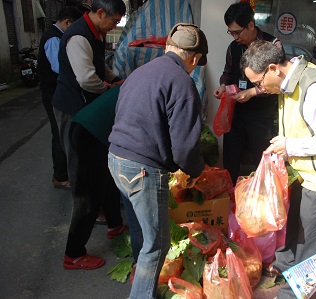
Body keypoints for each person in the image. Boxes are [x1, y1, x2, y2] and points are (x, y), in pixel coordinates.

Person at [240, 40, 316, 299]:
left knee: (311, 249)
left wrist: (289, 145)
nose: (258, 88)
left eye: (258, 82)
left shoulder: (315, 88)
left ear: (273, 68)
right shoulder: (288, 82)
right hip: (306, 174)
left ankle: (291, 295)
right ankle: (283, 267)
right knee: (295, 232)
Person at [108, 23, 208, 298]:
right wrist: (196, 171)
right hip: (142, 169)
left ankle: (140, 279)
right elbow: (185, 146)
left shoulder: (141, 73)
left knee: (141, 232)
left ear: (168, 48)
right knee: (157, 244)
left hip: (116, 159)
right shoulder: (182, 82)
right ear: (195, 58)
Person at [52, 0, 126, 270]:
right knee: (87, 189)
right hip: (77, 113)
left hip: (91, 118)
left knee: (105, 174)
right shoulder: (79, 36)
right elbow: (86, 79)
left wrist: (115, 78)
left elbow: (99, 68)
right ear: (100, 13)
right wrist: (110, 87)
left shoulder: (96, 35)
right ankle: (74, 253)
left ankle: (115, 225)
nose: (115, 26)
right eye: (114, 21)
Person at [213, 2, 284, 185]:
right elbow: (228, 73)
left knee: (262, 157)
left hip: (261, 114)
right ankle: (229, 196)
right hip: (236, 111)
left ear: (251, 25)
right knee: (231, 155)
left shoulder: (272, 45)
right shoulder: (234, 47)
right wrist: (222, 86)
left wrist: (252, 92)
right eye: (231, 32)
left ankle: (261, 196)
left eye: (238, 32)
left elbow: (279, 80)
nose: (235, 37)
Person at [37, 6, 83, 190]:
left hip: (54, 91)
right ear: (68, 22)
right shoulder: (54, 38)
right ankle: (60, 176)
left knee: (61, 133)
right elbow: (60, 67)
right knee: (59, 134)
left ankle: (61, 173)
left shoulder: (55, 36)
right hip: (53, 92)